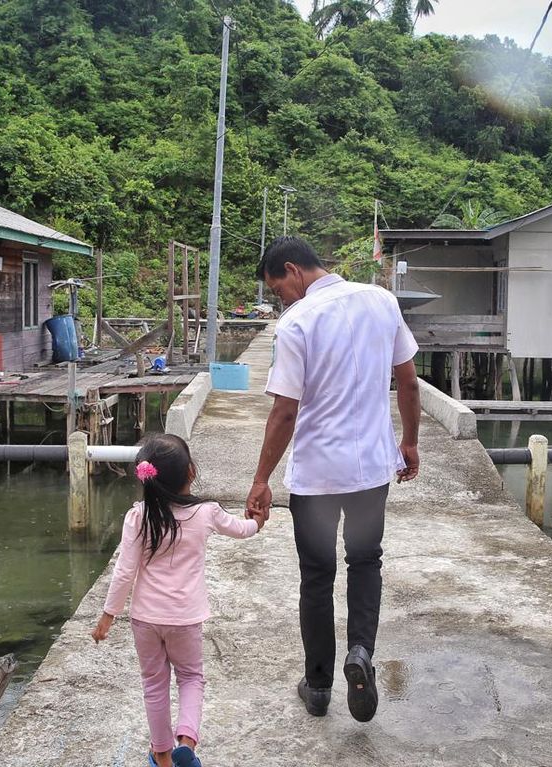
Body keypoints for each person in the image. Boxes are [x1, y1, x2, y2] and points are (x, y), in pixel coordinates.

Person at [246, 236, 421, 723]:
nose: (281, 297)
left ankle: (319, 685)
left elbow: (284, 410)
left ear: (292, 270)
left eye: (278, 288)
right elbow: (407, 381)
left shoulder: (298, 321)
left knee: (317, 578)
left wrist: (261, 479)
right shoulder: (382, 301)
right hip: (370, 471)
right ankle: (360, 652)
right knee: (366, 563)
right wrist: (409, 443)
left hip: (319, 475)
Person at [92, 433, 265, 767]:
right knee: (190, 678)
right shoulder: (207, 513)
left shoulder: (138, 517)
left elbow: (125, 572)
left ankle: (162, 755)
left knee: (154, 684)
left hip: (145, 619)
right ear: (191, 472)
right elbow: (242, 530)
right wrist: (257, 520)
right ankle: (186, 740)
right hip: (185, 618)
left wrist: (108, 616)